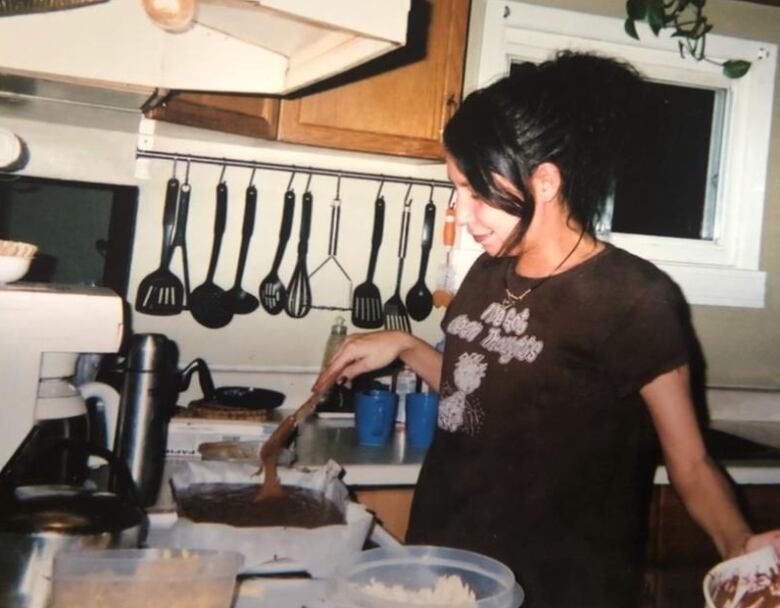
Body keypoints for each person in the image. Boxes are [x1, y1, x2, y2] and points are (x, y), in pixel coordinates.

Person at [315, 51, 780, 607]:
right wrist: (408, 347)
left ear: (546, 181)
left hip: (554, 587)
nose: (461, 215)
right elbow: (479, 391)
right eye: (456, 190)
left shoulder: (633, 298)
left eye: (477, 193)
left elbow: (690, 462)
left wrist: (740, 546)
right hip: (447, 570)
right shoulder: (490, 270)